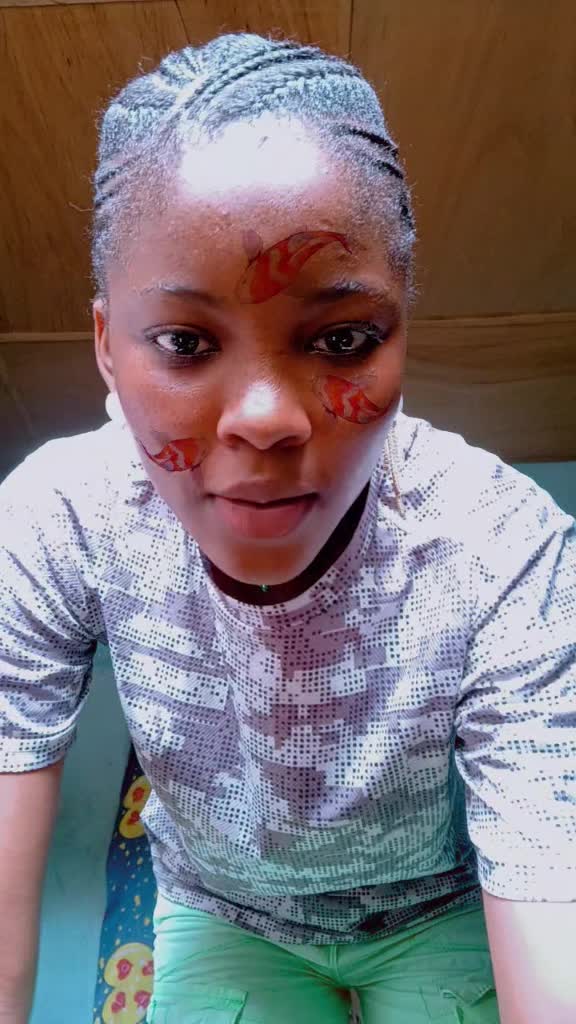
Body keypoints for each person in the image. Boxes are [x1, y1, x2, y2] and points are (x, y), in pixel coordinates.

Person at [0, 32, 574, 1024]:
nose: (266, 418)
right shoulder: (59, 524)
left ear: (401, 330)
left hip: (440, 905)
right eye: (185, 342)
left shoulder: (503, 553)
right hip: (225, 910)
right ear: (106, 345)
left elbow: (548, 879)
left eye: (342, 339)